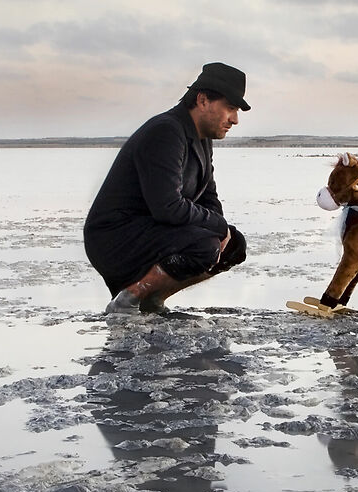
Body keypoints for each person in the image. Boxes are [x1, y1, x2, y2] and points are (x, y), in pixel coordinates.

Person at [85, 61, 251, 313]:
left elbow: (208, 196)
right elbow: (168, 208)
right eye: (230, 108)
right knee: (204, 247)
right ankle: (130, 298)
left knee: (233, 246)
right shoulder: (166, 132)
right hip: (116, 236)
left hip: (152, 229)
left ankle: (152, 299)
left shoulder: (201, 139)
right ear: (203, 100)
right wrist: (217, 227)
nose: (235, 120)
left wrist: (222, 231)